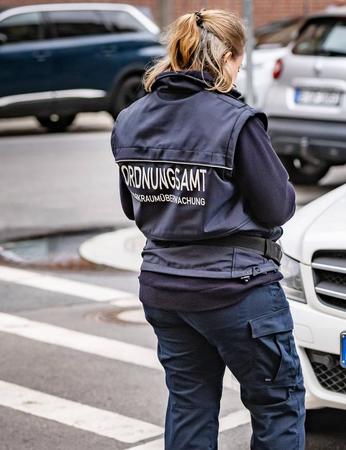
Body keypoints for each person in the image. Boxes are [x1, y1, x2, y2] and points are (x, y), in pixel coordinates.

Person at [110, 9, 304, 450]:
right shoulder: (236, 120)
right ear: (229, 57)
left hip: (164, 287)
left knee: (189, 404)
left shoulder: (131, 119)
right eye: (240, 60)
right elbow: (277, 206)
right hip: (237, 290)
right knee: (277, 402)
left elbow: (131, 206)